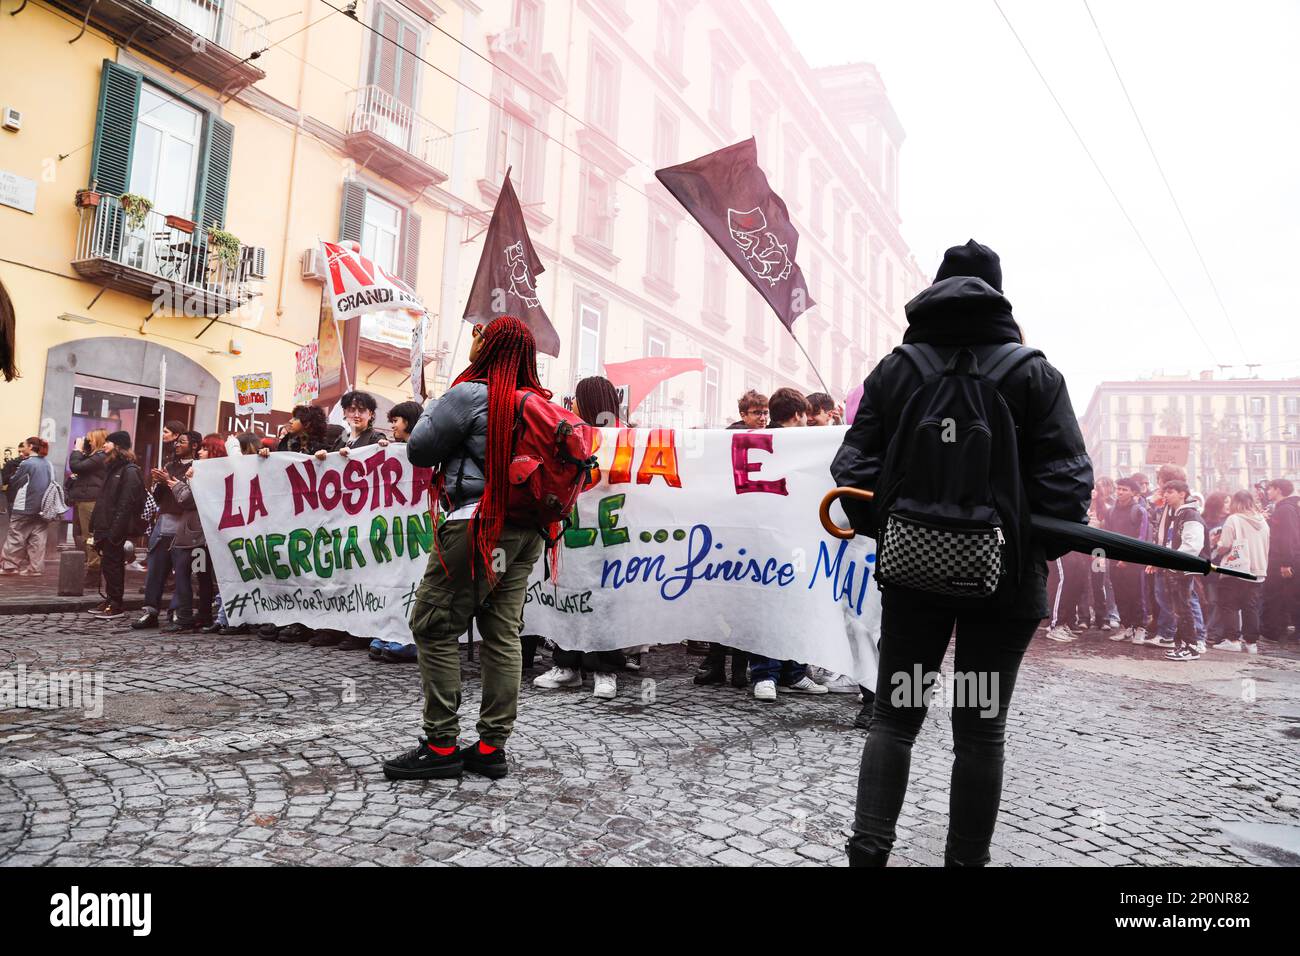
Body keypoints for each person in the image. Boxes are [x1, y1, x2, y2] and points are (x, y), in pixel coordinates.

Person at [832, 239, 1093, 867]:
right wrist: (1020, 542)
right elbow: (1069, 483)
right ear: (1000, 295)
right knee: (978, 726)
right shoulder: (1034, 373)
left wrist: (894, 526)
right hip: (1000, 593)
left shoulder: (897, 370)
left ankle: (869, 853)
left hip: (916, 581)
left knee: (896, 716)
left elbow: (852, 466)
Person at [383, 317, 549, 781]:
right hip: (526, 530)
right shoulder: (536, 401)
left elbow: (419, 449)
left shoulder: (471, 394)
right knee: (502, 633)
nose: (472, 340)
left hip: (475, 523)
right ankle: (491, 746)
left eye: (478, 334)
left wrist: (435, 404)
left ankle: (440, 745)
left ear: (487, 343)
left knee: (432, 624)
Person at [532, 375, 631, 699]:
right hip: (569, 531)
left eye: (576, 398)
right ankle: (568, 665)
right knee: (566, 595)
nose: (570, 403)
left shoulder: (623, 438)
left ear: (587, 401)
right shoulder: (568, 432)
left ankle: (604, 669)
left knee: (603, 601)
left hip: (607, 534)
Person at [747, 387, 828, 701]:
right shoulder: (774, 444)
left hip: (775, 535)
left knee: (777, 604)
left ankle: (782, 673)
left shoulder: (757, 442)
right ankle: (772, 673)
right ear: (798, 415)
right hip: (782, 536)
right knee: (785, 605)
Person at [368, 401, 427, 661]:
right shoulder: (394, 449)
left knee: (413, 582)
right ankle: (391, 632)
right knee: (394, 581)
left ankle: (408, 639)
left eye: (397, 420)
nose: (392, 425)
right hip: (397, 527)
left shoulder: (427, 448)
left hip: (418, 528)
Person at [129, 427, 196, 629]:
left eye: (181, 442)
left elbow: (188, 500)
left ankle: (178, 611)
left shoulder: (198, 468)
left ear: (194, 445)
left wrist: (168, 481)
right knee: (156, 569)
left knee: (181, 571)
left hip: (184, 524)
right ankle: (151, 610)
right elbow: (159, 498)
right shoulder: (169, 465)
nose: (177, 445)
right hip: (164, 521)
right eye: (177, 442)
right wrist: (158, 483)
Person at [161, 435, 224, 633]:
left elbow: (188, 500)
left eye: (204, 449)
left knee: (183, 572)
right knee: (202, 575)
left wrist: (174, 483)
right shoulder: (213, 472)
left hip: (193, 534)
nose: (199, 452)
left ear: (213, 452)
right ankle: (203, 614)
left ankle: (186, 616)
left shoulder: (206, 473)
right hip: (201, 534)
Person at [86, 432, 145, 620]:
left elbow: (126, 504)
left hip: (115, 527)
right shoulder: (112, 468)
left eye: (108, 443)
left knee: (114, 565)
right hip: (105, 525)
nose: (104, 446)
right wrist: (94, 523)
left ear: (118, 446)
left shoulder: (129, 471)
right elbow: (104, 500)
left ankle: (116, 604)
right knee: (108, 565)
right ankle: (110, 599)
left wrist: (116, 531)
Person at [1211, 490, 1269, 653]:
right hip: (1258, 569)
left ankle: (1233, 639)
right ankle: (1251, 643)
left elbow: (1225, 546)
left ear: (1236, 503)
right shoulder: (1263, 521)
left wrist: (1217, 543)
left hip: (1236, 569)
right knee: (1250, 607)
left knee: (1229, 604)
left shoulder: (1234, 519)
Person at [1154, 480, 1205, 661]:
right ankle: (1182, 644)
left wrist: (1174, 563)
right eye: (1165, 491)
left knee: (1183, 608)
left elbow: (1192, 545)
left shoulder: (1190, 514)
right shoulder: (1176, 514)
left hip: (1181, 569)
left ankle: (1191, 647)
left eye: (1170, 491)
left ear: (1182, 494)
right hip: (1174, 567)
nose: (1165, 495)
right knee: (1178, 608)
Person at [1104, 477, 1150, 644]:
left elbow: (1142, 538)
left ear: (1133, 493)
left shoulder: (1139, 511)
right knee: (1119, 595)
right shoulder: (1111, 512)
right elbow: (1106, 536)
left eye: (1124, 489)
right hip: (1115, 562)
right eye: (1119, 489)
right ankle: (1126, 626)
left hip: (1134, 563)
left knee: (1137, 595)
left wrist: (1127, 559)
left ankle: (1140, 628)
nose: (1120, 492)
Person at [0, 436, 53, 575]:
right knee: (38, 537)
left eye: (24, 445)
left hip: (25, 505)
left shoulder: (26, 464)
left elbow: (15, 481)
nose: (23, 448)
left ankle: (9, 566)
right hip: (43, 506)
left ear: (30, 447)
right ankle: (35, 568)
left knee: (16, 535)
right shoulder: (48, 463)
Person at [68, 429, 109, 588]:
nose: (88, 442)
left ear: (98, 440)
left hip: (90, 500)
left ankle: (94, 571)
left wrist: (77, 450)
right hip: (84, 499)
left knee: (90, 536)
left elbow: (76, 466)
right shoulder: (95, 457)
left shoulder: (100, 457)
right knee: (85, 536)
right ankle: (92, 569)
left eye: (91, 440)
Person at [1261, 478, 1299, 644]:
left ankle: (1275, 631)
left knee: (1281, 597)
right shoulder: (1287, 508)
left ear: (1278, 490)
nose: (1267, 492)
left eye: (1270, 489)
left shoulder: (1285, 510)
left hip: (1283, 561)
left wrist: (1286, 563)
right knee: (1286, 597)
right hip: (1285, 559)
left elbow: (1287, 537)